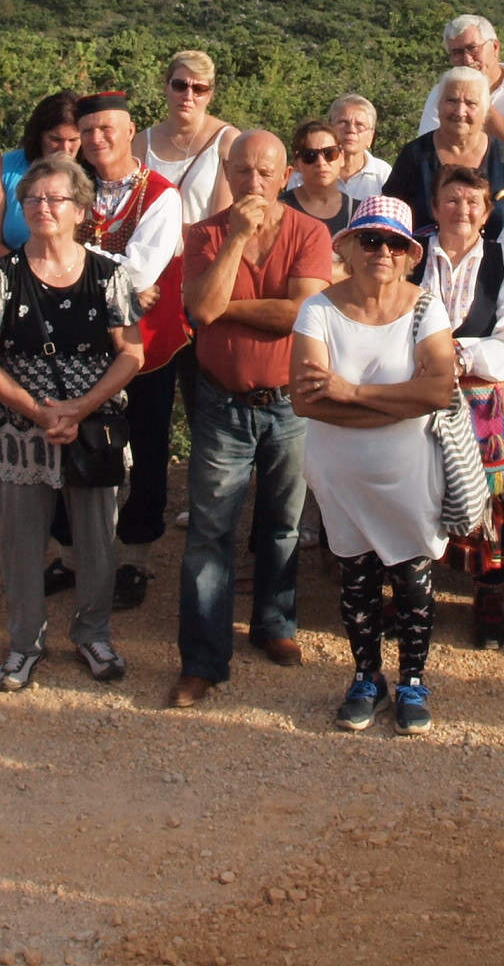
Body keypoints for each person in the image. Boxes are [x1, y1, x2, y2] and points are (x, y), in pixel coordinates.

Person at [0, 156, 143, 692]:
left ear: (80, 210)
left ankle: (94, 634)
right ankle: (24, 644)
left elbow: (131, 354)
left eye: (55, 198)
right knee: (21, 545)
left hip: (92, 431)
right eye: (32, 199)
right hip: (21, 435)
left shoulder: (110, 276)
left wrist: (80, 407)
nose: (42, 207)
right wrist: (39, 412)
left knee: (97, 540)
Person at [171, 130, 334, 707]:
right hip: (222, 402)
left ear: (286, 176)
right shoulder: (205, 234)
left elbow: (301, 312)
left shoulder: (310, 233)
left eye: (266, 172)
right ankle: (203, 660)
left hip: (289, 403)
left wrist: (229, 308)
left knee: (283, 523)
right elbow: (200, 308)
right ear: (227, 173)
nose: (254, 182)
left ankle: (274, 623)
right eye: (242, 170)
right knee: (210, 532)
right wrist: (237, 237)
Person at [290, 195, 460, 734]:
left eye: (395, 243)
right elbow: (305, 401)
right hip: (339, 475)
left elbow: (439, 390)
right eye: (370, 239)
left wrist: (350, 392)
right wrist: (396, 401)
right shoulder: (317, 309)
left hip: (408, 476)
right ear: (348, 247)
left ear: (409, 255)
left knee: (413, 581)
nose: (382, 252)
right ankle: (367, 678)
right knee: (356, 581)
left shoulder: (427, 308)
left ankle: (413, 681)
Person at [67, 92, 186, 609]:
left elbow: (139, 271)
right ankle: (73, 552)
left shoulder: (161, 194)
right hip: (80, 343)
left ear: (131, 130)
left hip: (145, 345)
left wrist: (75, 263)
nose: (97, 139)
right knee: (78, 439)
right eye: (87, 131)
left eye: (107, 128)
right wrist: (110, 274)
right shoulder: (71, 186)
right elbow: (49, 250)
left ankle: (136, 555)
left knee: (148, 446)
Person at [420, 164, 504, 648]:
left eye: (473, 202)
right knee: (416, 490)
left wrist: (458, 355)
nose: (461, 210)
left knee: (489, 501)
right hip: (418, 390)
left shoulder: (503, 262)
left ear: (487, 212)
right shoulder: (409, 254)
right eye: (451, 199)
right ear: (434, 206)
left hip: (485, 396)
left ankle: (488, 594)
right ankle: (415, 594)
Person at [384, 67, 504, 233]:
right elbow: (388, 219)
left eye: (471, 103)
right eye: (451, 101)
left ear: (486, 112)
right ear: (438, 105)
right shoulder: (414, 156)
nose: (460, 111)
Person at [416, 15, 504, 176]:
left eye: (473, 48)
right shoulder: (441, 92)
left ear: (495, 47)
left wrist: (478, 98)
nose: (467, 60)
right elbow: (430, 153)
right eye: (457, 52)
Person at [137, 49, 239, 224]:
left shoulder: (227, 141)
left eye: (199, 89)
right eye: (180, 85)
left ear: (209, 96)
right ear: (165, 87)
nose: (188, 96)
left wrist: (170, 233)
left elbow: (220, 223)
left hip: (203, 242)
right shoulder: (142, 143)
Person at [0, 92, 81, 265]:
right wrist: (31, 273)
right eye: (55, 139)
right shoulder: (6, 168)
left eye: (73, 140)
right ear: (39, 135)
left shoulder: (94, 170)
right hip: (15, 273)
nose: (64, 149)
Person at [278, 118, 360, 240]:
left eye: (330, 153)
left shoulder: (358, 212)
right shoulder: (280, 210)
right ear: (296, 163)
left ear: (342, 157)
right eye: (310, 156)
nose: (321, 162)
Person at [324, 94, 391, 203]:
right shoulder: (312, 168)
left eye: (360, 125)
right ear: (329, 128)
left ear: (370, 136)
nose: (351, 130)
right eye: (343, 123)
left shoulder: (383, 174)